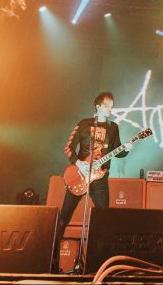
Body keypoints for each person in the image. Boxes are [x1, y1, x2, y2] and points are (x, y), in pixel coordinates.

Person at [54, 92, 132, 267]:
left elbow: (118, 152)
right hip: (79, 175)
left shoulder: (113, 128)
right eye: (108, 106)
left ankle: (98, 262)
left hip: (100, 178)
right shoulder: (83, 124)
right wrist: (78, 163)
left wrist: (126, 149)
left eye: (112, 106)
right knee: (63, 218)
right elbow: (68, 148)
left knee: (104, 219)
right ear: (98, 107)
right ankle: (52, 258)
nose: (111, 109)